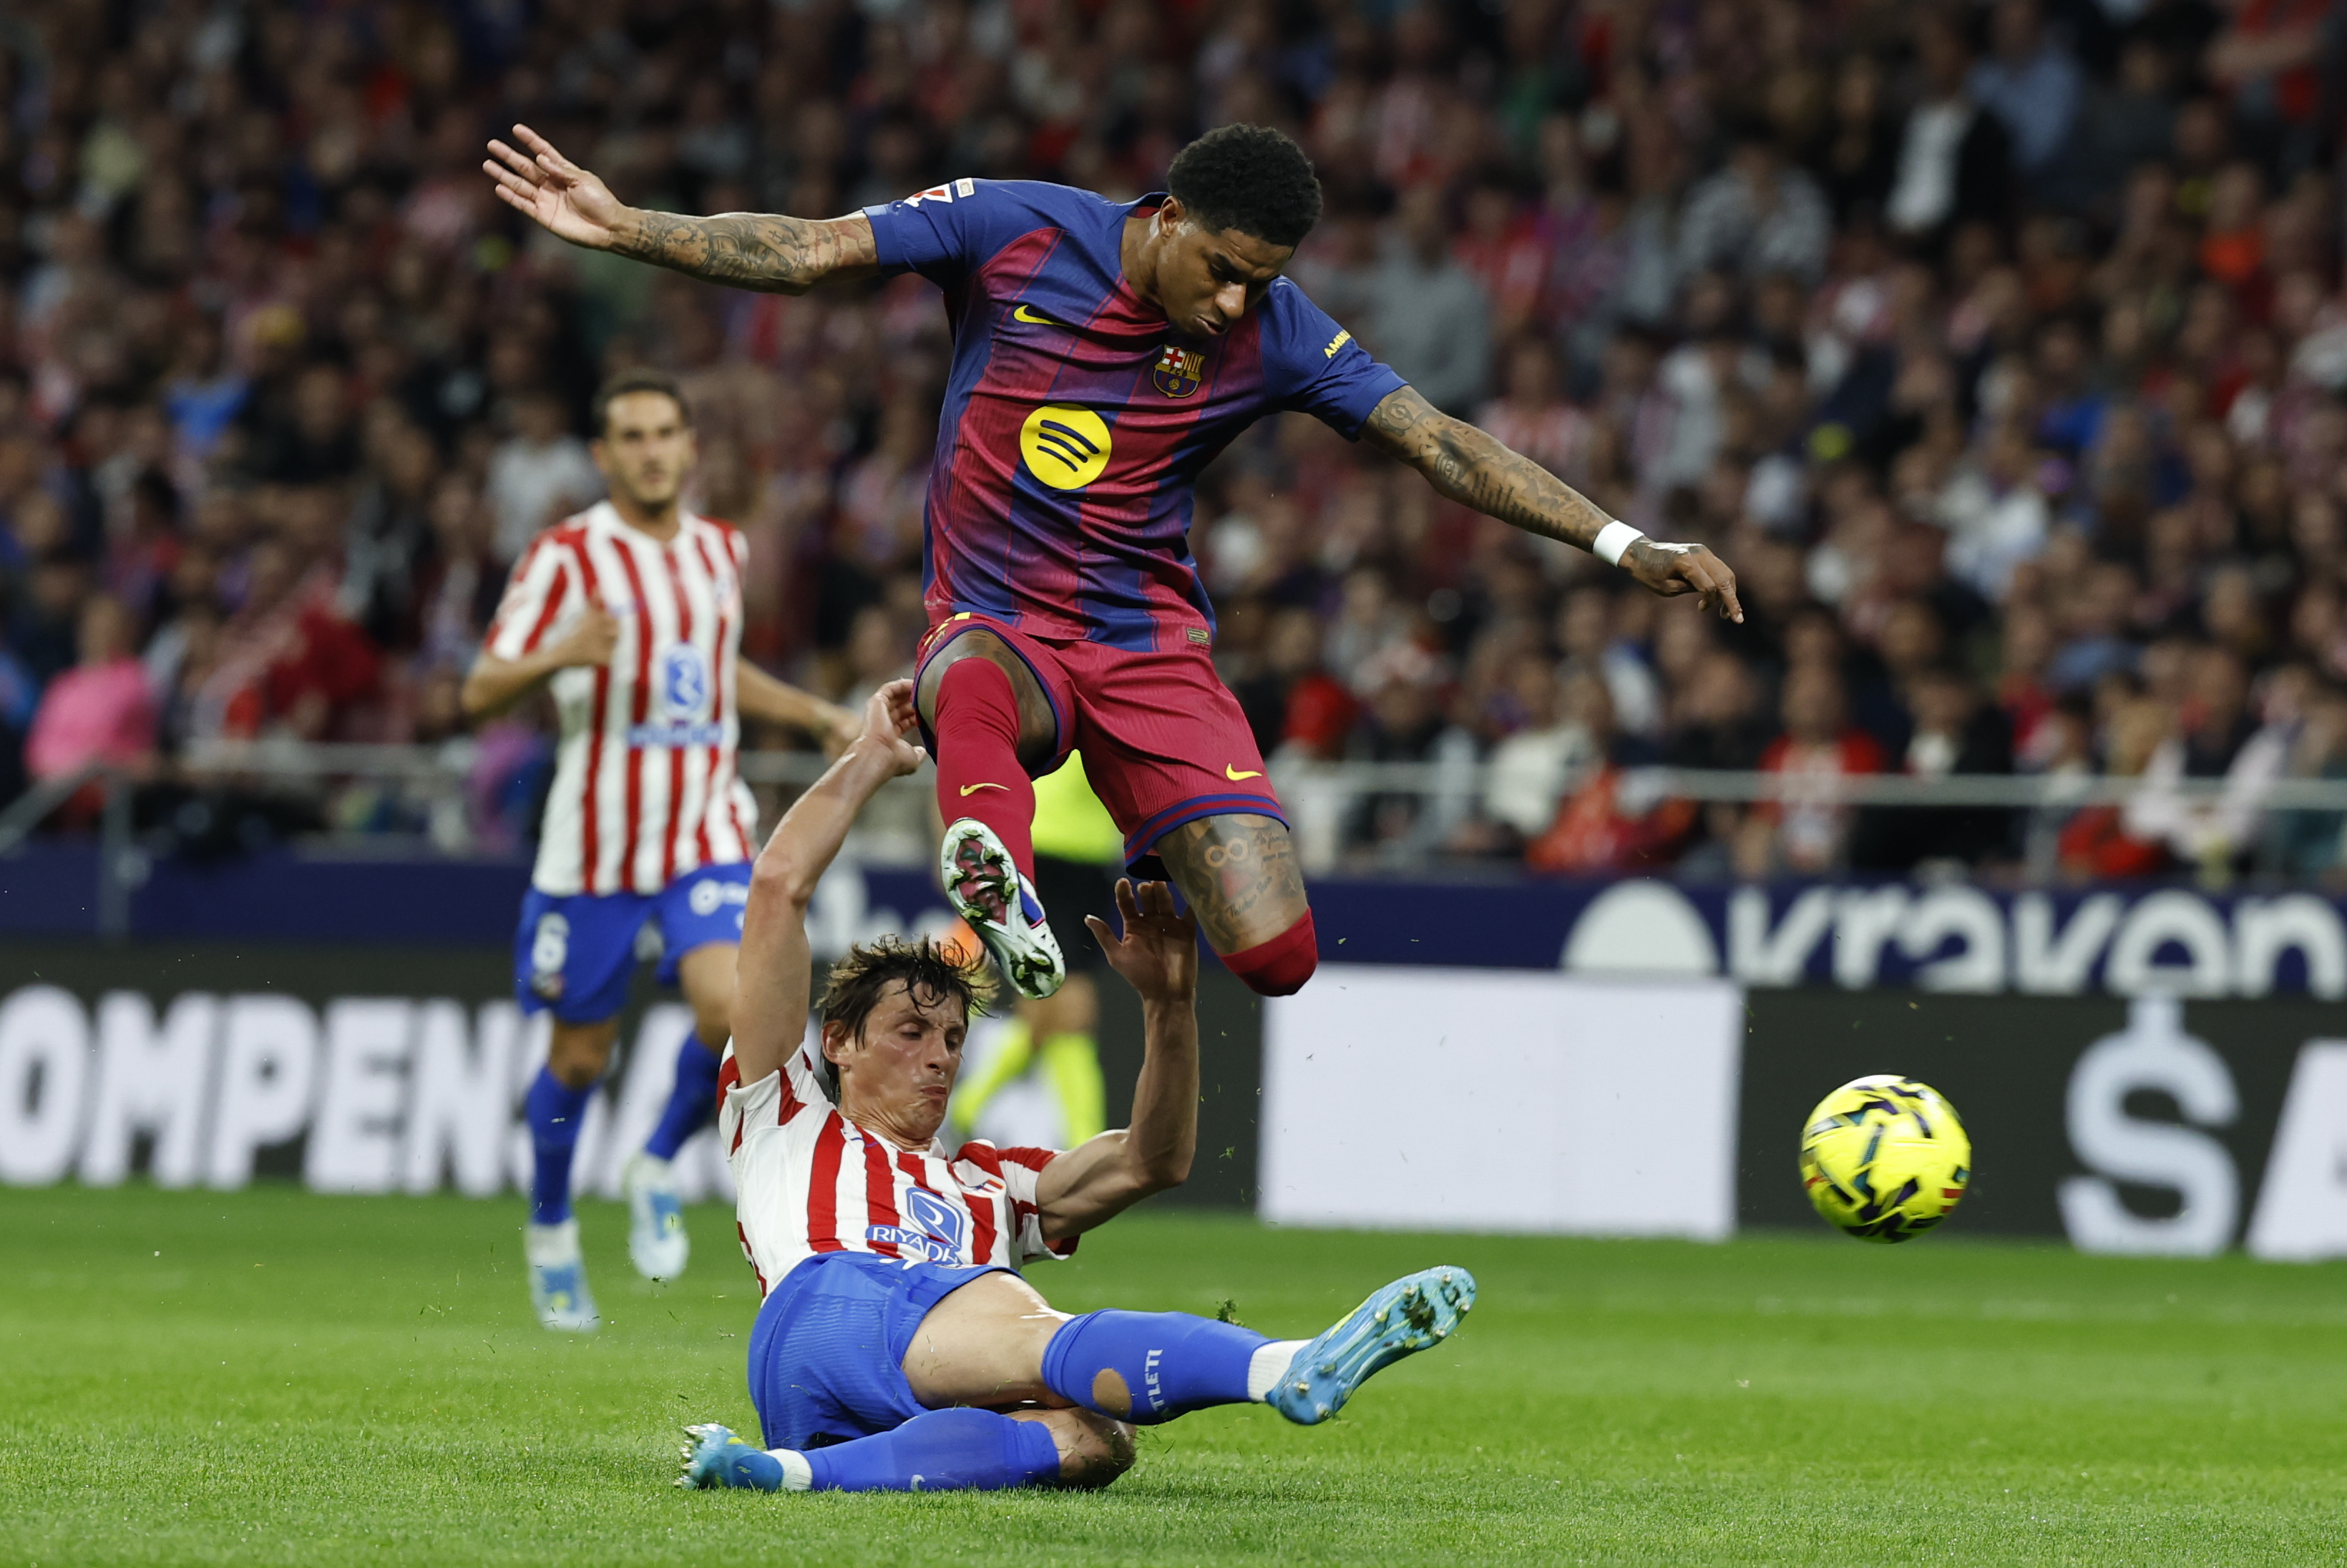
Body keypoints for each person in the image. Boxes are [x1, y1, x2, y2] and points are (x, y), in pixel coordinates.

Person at [484, 122, 1742, 1011]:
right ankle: (998, 882)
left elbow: (1439, 442)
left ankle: (1126, 878)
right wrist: (629, 228)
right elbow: (811, 251)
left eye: (1263, 283)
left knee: (1279, 957)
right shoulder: (1013, 228)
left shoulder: (1280, 330)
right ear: (1168, 217)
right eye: (1226, 271)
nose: (1240, 305)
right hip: (1001, 624)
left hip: (1147, 645)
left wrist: (1623, 541)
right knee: (964, 675)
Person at [675, 680, 1473, 1494]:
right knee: (1028, 1322)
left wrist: (1169, 1009)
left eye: (952, 1038)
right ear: (838, 1042)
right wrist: (872, 756)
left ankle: (789, 1470)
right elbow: (777, 885)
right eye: (911, 1032)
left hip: (840, 1391)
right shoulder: (785, 1112)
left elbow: (1151, 1161)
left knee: (1097, 1436)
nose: (939, 1056)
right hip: (830, 1297)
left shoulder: (988, 1182)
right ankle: (1282, 1366)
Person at [460, 367, 859, 1331]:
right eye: (631, 437)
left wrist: (812, 712)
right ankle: (551, 1227)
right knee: (580, 1055)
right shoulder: (566, 556)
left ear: (689, 447)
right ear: (604, 456)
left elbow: (712, 671)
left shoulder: (720, 549)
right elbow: (478, 689)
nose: (650, 451)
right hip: (594, 849)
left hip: (702, 831)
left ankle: (652, 1162)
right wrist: (561, 654)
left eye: (664, 433)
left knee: (732, 1004)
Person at [948, 749, 1123, 1148]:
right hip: (1045, 853)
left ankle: (967, 1109)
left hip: (1092, 865)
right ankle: (1087, 1143)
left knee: (1050, 1013)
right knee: (1071, 1006)